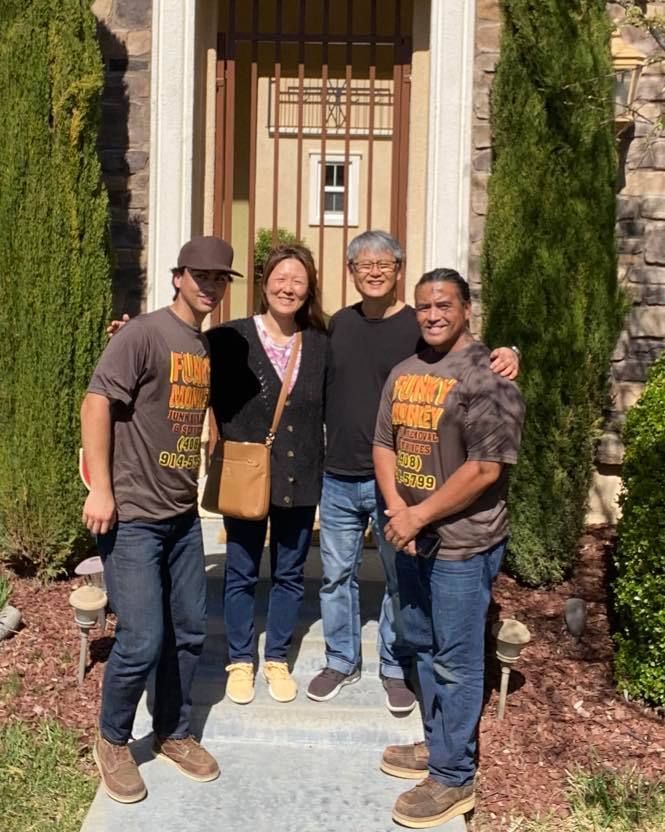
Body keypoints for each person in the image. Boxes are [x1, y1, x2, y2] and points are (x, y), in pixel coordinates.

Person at [306, 231, 519, 713]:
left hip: (402, 486)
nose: (375, 270)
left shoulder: (419, 322)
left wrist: (510, 353)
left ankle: (394, 665)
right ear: (351, 272)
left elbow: (470, 354)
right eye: (364, 264)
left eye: (384, 262)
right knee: (337, 575)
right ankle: (341, 659)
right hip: (339, 475)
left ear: (398, 270)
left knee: (401, 580)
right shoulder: (338, 324)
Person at [81, 236, 239, 803]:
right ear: (178, 276)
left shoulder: (200, 344)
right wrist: (102, 488)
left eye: (220, 278)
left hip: (179, 515)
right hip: (134, 516)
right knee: (143, 637)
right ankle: (113, 739)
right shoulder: (143, 333)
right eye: (200, 274)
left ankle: (172, 731)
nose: (210, 285)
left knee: (191, 630)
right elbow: (97, 402)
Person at [373, 268, 525, 828]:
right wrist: (398, 511)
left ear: (465, 308)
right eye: (423, 306)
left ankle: (454, 778)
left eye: (443, 305)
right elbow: (383, 442)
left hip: (462, 545)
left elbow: (485, 469)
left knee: (457, 663)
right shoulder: (405, 371)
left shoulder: (491, 378)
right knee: (420, 643)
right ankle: (439, 748)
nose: (432, 314)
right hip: (410, 536)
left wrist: (419, 516)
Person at [207, 244, 327, 706]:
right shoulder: (227, 338)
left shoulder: (320, 343)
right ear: (264, 284)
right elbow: (177, 366)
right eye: (280, 277)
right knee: (240, 571)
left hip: (301, 476)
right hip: (245, 476)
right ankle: (240, 660)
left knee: (290, 573)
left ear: (309, 287)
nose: (288, 287)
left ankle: (276, 656)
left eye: (298, 279)